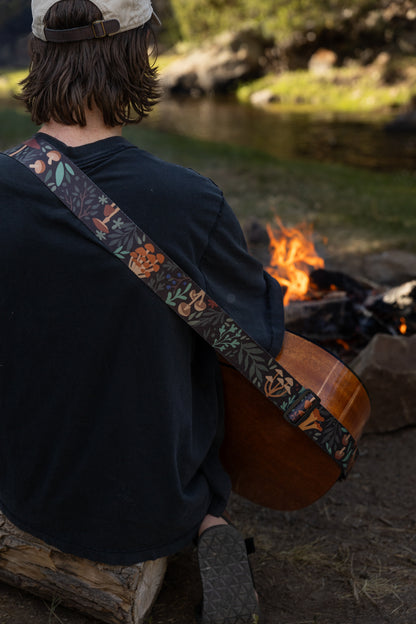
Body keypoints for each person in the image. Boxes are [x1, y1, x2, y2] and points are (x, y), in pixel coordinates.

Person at [0, 1, 284, 621]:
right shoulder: (190, 202)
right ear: (138, 56)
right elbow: (258, 341)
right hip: (152, 509)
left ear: (39, 57)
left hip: (22, 489)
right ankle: (211, 522)